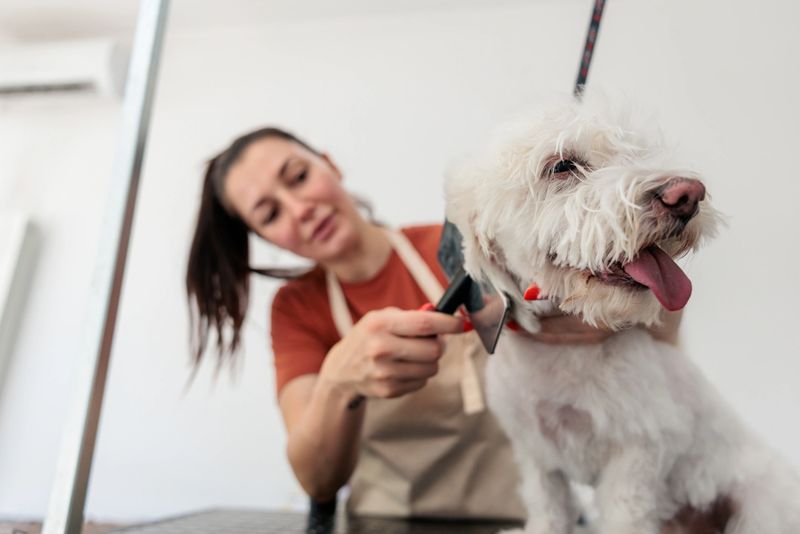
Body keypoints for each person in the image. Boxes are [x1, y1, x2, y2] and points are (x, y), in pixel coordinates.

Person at [185, 127, 729, 531]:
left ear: (329, 162)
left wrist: (608, 303)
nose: (299, 208)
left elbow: (657, 327)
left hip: (530, 518)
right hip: (389, 523)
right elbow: (316, 478)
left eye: (299, 177)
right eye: (270, 213)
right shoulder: (298, 310)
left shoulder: (467, 246)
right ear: (264, 236)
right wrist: (338, 381)